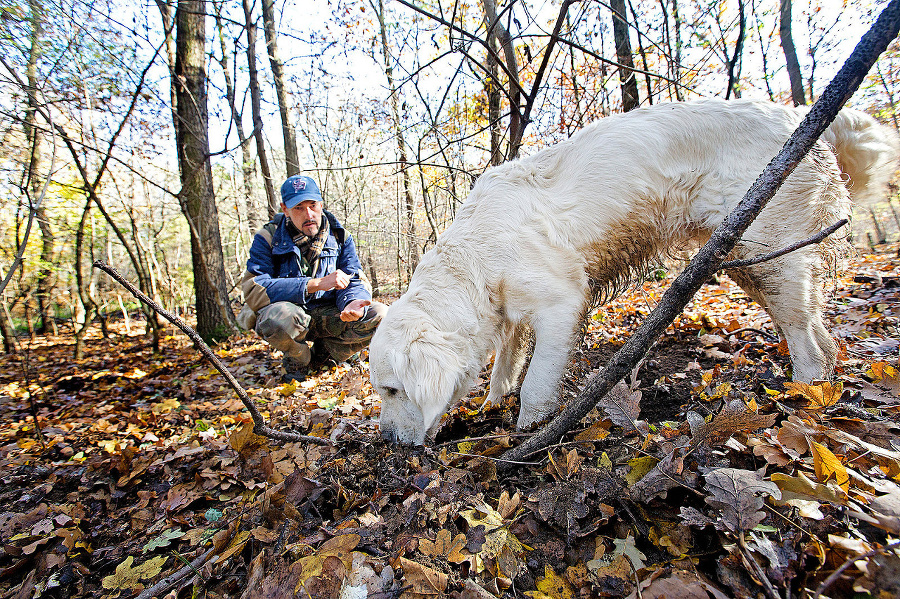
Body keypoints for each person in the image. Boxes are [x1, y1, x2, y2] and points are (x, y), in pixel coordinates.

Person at [241, 174, 387, 381]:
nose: (308, 214)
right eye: (299, 208)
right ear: (285, 210)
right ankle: (299, 358)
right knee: (275, 319)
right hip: (293, 318)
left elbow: (353, 277)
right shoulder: (268, 238)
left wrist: (353, 302)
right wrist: (314, 284)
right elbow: (255, 289)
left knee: (380, 314)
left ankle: (326, 355)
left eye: (313, 205)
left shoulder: (339, 236)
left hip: (329, 313)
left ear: (321, 203)